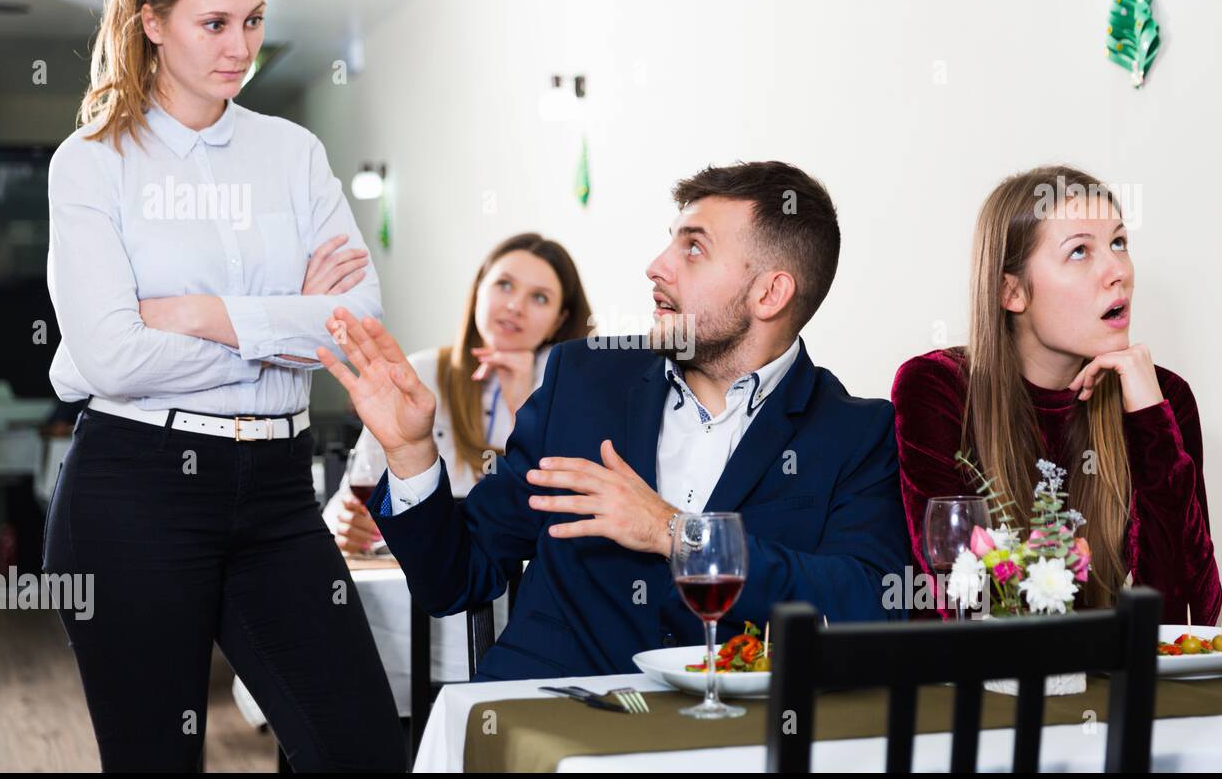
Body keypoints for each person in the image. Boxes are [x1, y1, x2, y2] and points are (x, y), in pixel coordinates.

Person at [42, 0, 407, 771]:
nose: (239, 46)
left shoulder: (293, 153)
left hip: (279, 497)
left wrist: (204, 311)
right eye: (214, 23)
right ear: (153, 26)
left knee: (362, 751)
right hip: (133, 491)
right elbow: (110, 359)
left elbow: (360, 323)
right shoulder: (92, 163)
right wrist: (287, 317)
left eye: (253, 20)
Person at [318, 161, 913, 681]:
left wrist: (674, 533)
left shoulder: (855, 433)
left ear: (770, 294)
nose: (656, 266)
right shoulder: (585, 382)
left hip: (735, 740)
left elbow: (869, 603)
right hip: (548, 724)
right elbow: (457, 578)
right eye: (669, 242)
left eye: (694, 248)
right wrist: (411, 452)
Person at [890, 165, 1221, 623]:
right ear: (1012, 292)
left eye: (1119, 243)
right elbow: (960, 602)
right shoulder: (937, 388)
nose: (1117, 272)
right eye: (1081, 251)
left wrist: (1150, 419)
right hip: (976, 689)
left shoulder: (1162, 398)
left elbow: (1188, 619)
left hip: (1107, 688)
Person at [324, 232, 592, 681]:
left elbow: (558, 509)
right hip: (421, 593)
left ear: (559, 318)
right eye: (504, 285)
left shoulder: (574, 387)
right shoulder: (421, 372)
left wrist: (523, 399)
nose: (515, 306)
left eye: (539, 297)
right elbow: (357, 495)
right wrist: (348, 526)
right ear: (479, 289)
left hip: (527, 612)